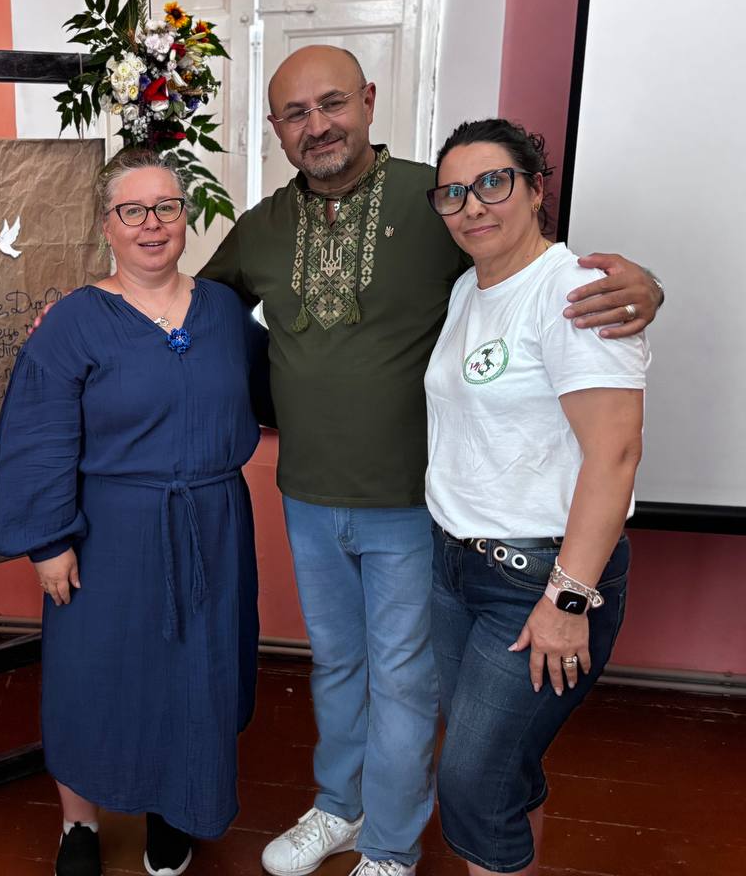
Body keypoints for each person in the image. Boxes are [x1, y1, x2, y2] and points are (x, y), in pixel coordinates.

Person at [198, 46, 662, 876]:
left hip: (415, 504)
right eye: (295, 114)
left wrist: (645, 286)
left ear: (369, 100)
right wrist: (93, 307)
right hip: (309, 497)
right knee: (337, 665)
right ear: (274, 129)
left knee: (405, 680)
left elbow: (532, 269)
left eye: (332, 103)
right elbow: (191, 309)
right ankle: (341, 806)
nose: (317, 126)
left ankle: (390, 843)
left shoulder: (436, 200)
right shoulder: (262, 227)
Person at [0, 147, 268, 876]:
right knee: (95, 677)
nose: (152, 224)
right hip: (106, 533)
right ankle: (79, 823)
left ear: (185, 218)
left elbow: (283, 381)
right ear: (106, 225)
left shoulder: (224, 312)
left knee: (195, 674)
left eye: (166, 207)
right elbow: (39, 434)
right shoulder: (74, 322)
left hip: (212, 528)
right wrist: (49, 541)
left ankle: (174, 810)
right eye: (132, 210)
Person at [424, 119, 645, 875]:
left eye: (493, 182)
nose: (472, 205)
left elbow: (615, 454)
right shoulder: (469, 288)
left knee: (472, 786)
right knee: (500, 769)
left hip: (539, 580)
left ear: (535, 188)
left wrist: (568, 598)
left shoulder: (575, 292)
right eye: (453, 193)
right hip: (456, 567)